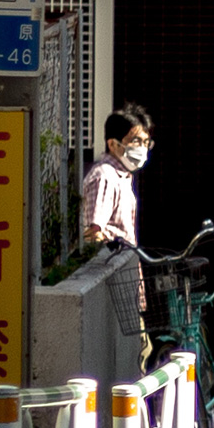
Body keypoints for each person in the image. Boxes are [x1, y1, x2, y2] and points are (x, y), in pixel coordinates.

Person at [81, 105, 154, 369]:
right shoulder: (105, 177)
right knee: (138, 356)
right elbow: (92, 233)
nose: (142, 149)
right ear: (113, 144)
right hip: (113, 287)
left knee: (139, 353)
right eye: (135, 141)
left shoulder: (121, 177)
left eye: (146, 142)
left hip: (126, 286)